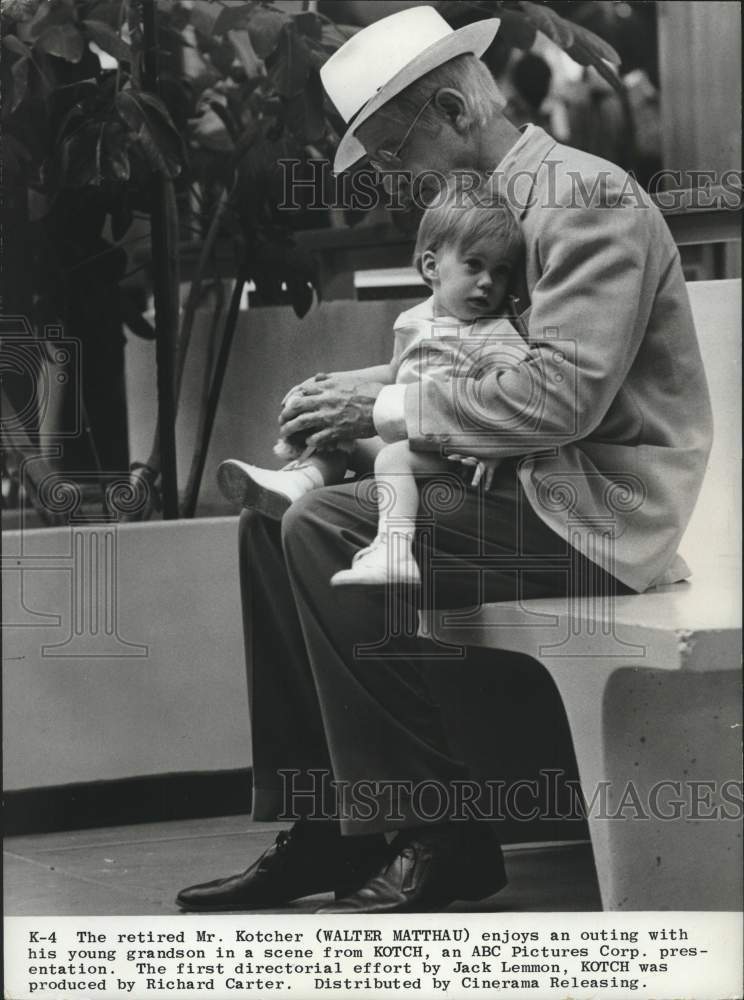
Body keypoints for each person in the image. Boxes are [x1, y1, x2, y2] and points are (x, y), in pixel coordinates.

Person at [177, 5, 712, 915]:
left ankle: (440, 833)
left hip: (595, 512)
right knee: (272, 521)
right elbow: (489, 355)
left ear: (458, 111)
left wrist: (385, 406)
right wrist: (366, 397)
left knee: (324, 521)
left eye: (392, 154)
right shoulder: (505, 208)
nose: (388, 181)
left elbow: (558, 396)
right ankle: (330, 823)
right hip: (520, 491)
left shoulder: (587, 199)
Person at [217, 185, 529, 586]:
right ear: (432, 266)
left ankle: (394, 550)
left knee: (391, 459)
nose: (488, 282)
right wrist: (337, 383)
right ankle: (299, 481)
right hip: (412, 442)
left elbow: (512, 395)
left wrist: (492, 452)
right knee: (337, 434)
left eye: (500, 272)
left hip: (453, 455)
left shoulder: (495, 333)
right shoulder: (414, 321)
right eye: (474, 265)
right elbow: (396, 370)